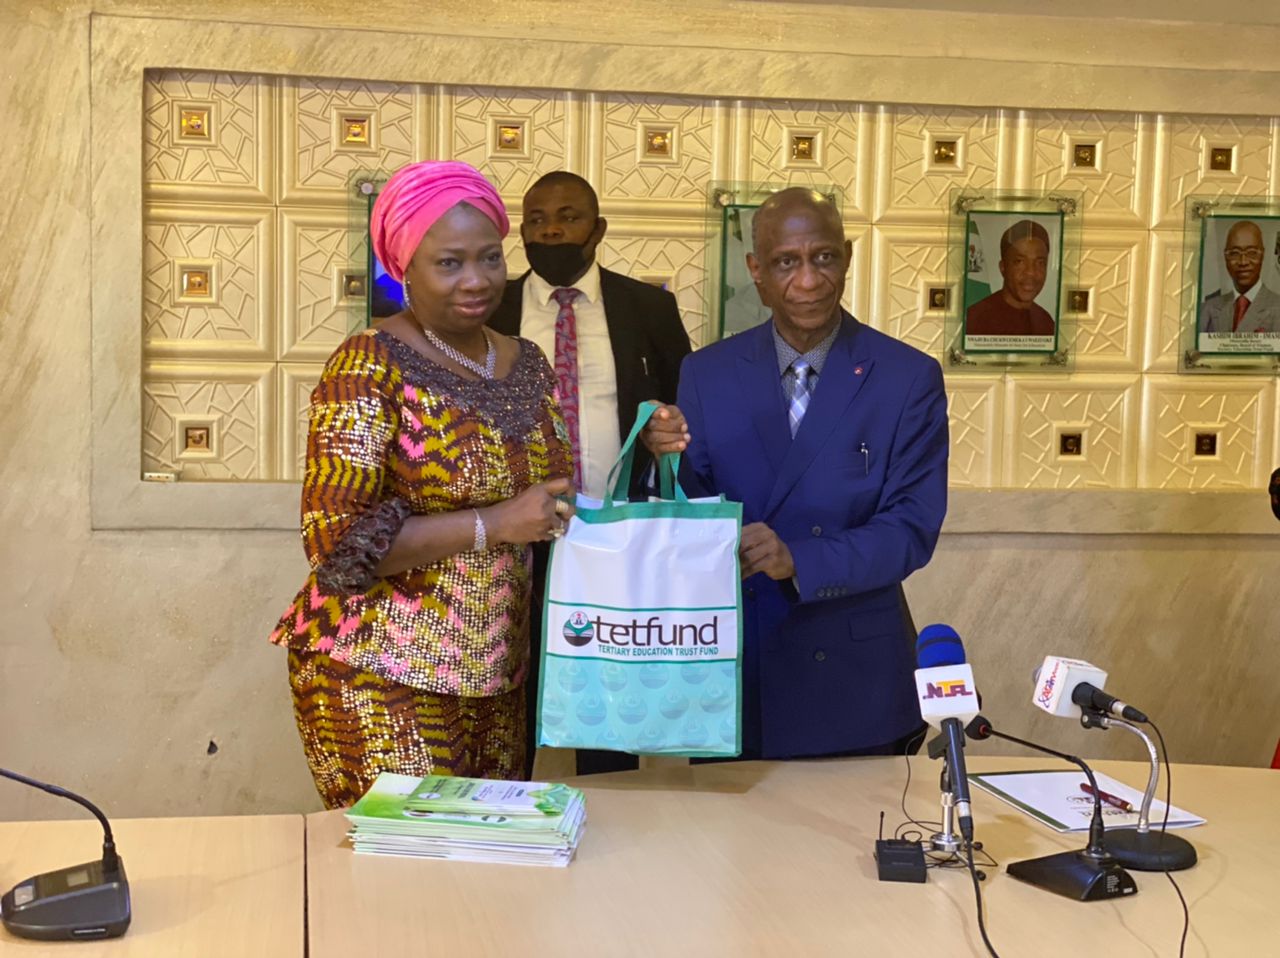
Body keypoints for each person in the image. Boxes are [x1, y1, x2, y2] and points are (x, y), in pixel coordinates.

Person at [269, 161, 574, 809]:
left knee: (486, 877)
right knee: (404, 878)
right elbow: (339, 546)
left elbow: (549, 495)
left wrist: (651, 446)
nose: (476, 280)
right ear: (403, 266)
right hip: (380, 668)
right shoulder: (367, 365)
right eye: (450, 263)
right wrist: (495, 524)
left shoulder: (527, 364)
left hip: (498, 674)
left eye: (490, 258)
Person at [642, 188, 948, 760]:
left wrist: (799, 560)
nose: (808, 281)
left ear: (848, 257)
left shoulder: (907, 377)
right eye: (787, 261)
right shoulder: (706, 373)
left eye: (824, 257)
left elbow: (911, 528)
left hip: (854, 685)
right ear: (757, 271)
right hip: (737, 675)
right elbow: (695, 512)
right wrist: (664, 459)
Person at [489, 170, 692, 776]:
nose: (551, 228)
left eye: (569, 216)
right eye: (536, 219)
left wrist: (669, 433)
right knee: (511, 693)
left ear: (598, 229)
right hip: (514, 537)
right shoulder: (488, 307)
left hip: (611, 535)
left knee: (609, 702)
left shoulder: (647, 307)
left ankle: (615, 828)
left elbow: (684, 405)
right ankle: (508, 809)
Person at [965, 219, 1055, 337]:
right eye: (1019, 262)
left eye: (1040, 263)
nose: (1031, 272)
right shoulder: (975, 319)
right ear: (1003, 268)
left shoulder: (1045, 322)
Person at [1198, 220, 1280, 334]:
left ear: (1262, 255)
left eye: (1251, 252)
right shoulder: (1207, 309)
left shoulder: (1277, 306)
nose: (1243, 261)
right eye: (1235, 253)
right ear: (1226, 257)